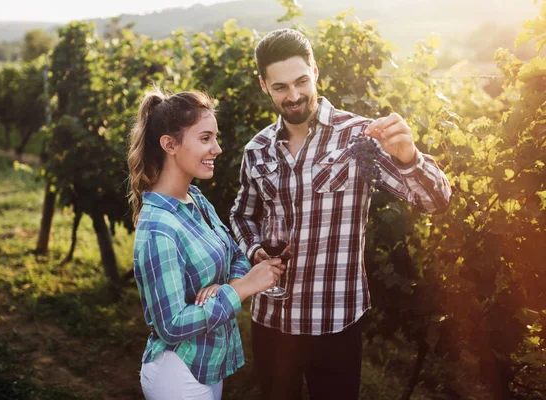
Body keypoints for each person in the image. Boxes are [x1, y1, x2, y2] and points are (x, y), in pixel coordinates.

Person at [230, 28, 452, 400]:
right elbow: (242, 216)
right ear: (264, 86)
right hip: (272, 320)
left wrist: (410, 157)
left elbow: (435, 202)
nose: (294, 95)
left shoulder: (360, 138)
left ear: (315, 71)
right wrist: (254, 252)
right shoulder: (257, 149)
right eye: (281, 87)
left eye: (301, 81)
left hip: (334, 320)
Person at [128, 89, 286, 400]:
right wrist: (241, 289)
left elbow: (235, 255)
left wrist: (225, 285)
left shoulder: (195, 200)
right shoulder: (159, 227)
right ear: (169, 144)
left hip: (206, 367)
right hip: (178, 375)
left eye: (215, 137)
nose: (217, 148)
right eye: (205, 138)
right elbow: (171, 325)